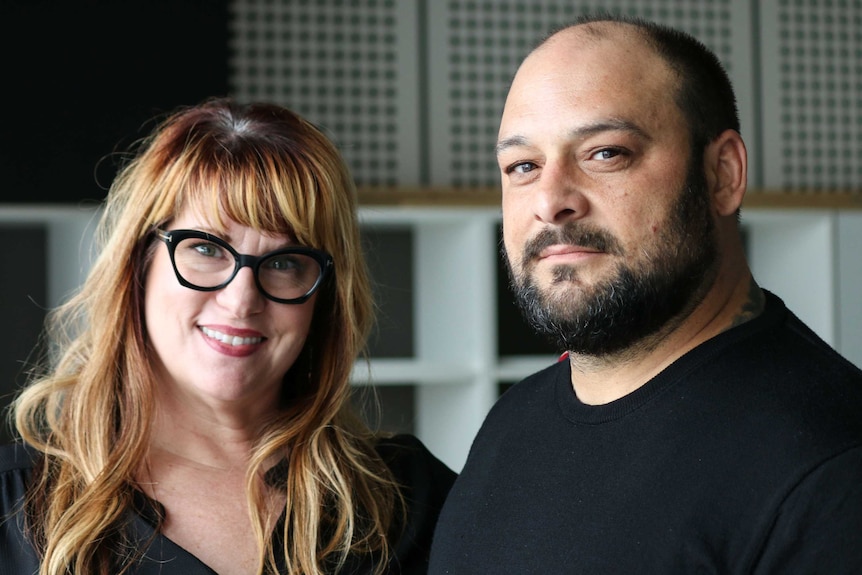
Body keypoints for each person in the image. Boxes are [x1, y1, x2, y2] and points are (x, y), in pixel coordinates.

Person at [429, 14, 862, 574]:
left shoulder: (830, 470)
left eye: (605, 153)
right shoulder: (510, 424)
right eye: (523, 166)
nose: (550, 200)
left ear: (722, 175)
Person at [0, 98, 456, 575]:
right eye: (206, 248)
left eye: (284, 263)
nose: (241, 300)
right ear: (138, 265)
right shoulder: (14, 507)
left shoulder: (408, 501)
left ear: (325, 298)